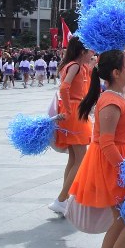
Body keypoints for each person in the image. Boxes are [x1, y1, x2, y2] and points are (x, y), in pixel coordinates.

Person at [68, 49, 125, 248]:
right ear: (116, 73)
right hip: (113, 166)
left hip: (119, 163)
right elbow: (107, 144)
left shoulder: (117, 95)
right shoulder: (110, 100)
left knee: (122, 219)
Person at [49, 37, 94, 216]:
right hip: (75, 112)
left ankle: (65, 198)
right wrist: (68, 110)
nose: (92, 52)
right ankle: (61, 199)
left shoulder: (80, 66)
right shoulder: (74, 65)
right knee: (80, 158)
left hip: (76, 110)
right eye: (90, 50)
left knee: (74, 158)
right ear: (82, 52)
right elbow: (64, 87)